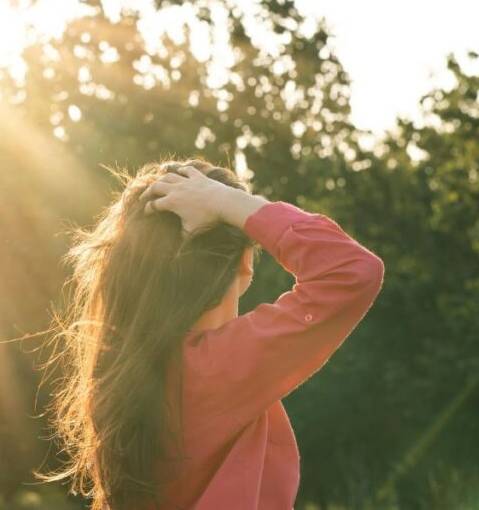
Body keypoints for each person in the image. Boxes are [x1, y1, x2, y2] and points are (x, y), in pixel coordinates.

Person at [37, 158, 385, 509]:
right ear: (246, 261)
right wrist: (228, 203)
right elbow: (352, 270)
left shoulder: (115, 373)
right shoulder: (218, 366)